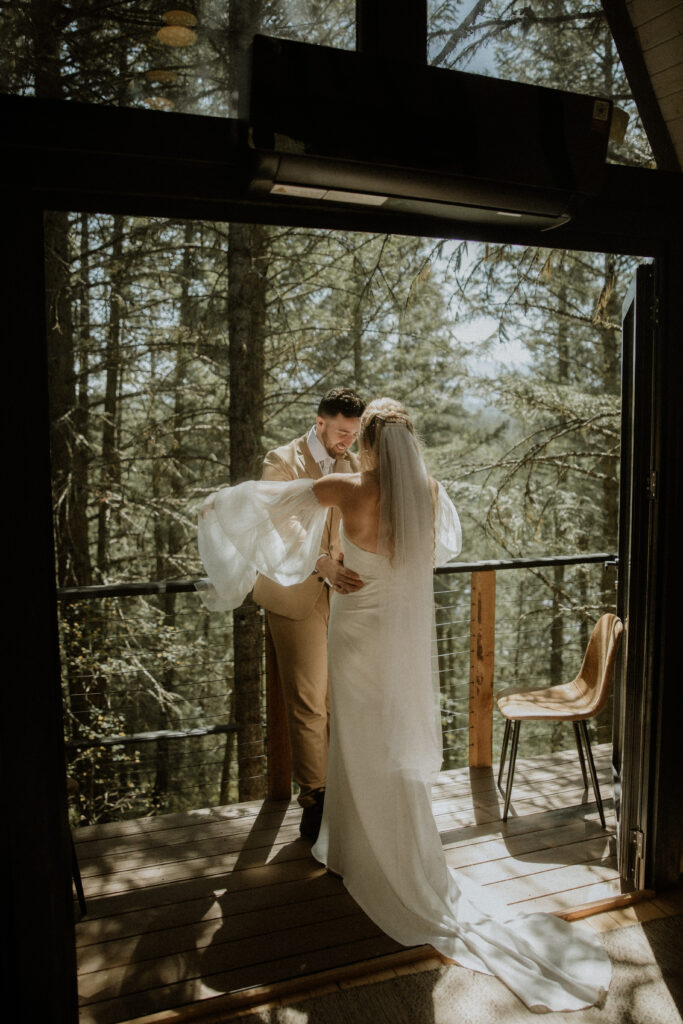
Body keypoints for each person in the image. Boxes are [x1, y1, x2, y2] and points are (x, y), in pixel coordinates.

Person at [197, 397, 611, 1013]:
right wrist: (341, 560)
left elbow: (262, 507)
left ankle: (357, 854)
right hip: (397, 641)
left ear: (365, 442)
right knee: (384, 743)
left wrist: (218, 508)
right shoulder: (429, 490)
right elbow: (438, 549)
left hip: (355, 635)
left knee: (357, 740)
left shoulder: (345, 487)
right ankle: (382, 851)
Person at [254, 387, 365, 839]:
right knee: (306, 700)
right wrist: (321, 563)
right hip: (294, 593)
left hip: (343, 597)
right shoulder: (282, 461)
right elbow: (282, 521)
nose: (348, 442)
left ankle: (343, 790)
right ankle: (314, 798)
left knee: (339, 697)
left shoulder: (356, 464)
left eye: (355, 434)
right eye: (342, 432)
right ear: (319, 422)